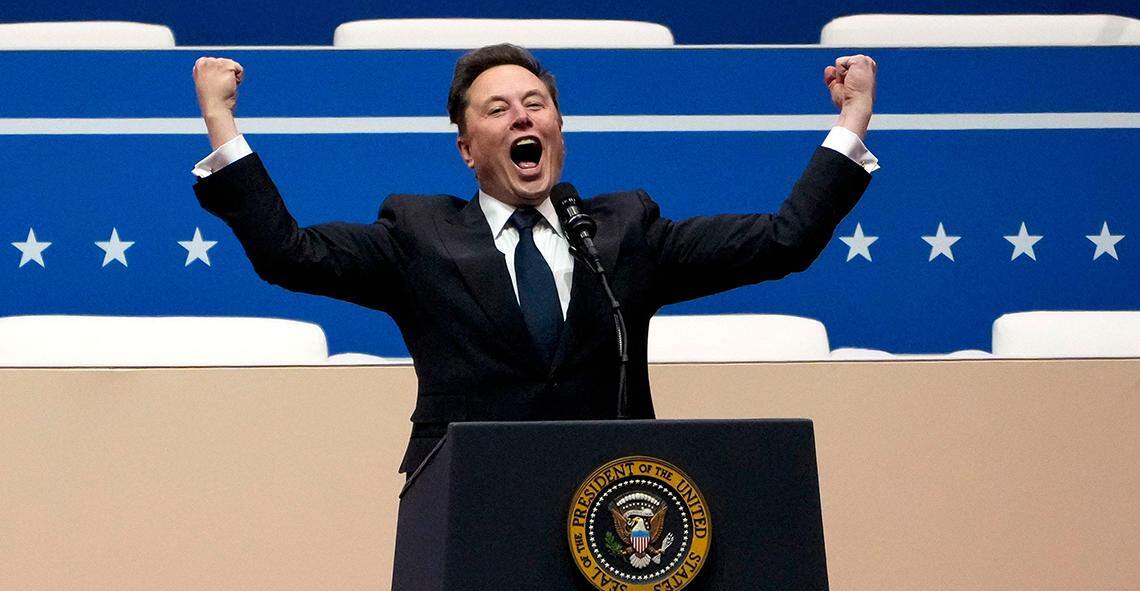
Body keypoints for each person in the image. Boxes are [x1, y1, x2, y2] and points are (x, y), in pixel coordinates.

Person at [191, 44, 878, 474]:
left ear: (558, 128)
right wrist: (222, 121)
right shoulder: (417, 234)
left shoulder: (626, 230)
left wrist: (851, 120)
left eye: (536, 104)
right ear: (466, 149)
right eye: (498, 110)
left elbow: (784, 240)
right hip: (467, 503)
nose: (522, 118)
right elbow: (289, 254)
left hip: (613, 501)